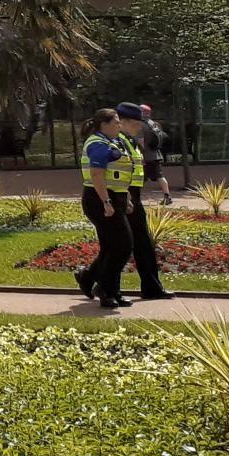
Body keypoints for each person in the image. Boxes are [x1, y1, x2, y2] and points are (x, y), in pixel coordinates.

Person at [75, 108, 134, 310]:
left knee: (112, 248)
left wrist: (125, 198)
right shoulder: (98, 144)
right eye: (116, 122)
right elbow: (97, 175)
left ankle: (101, 284)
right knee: (123, 246)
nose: (120, 125)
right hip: (99, 199)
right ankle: (104, 288)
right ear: (104, 125)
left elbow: (117, 175)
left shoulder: (114, 142)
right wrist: (106, 202)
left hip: (113, 197)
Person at [116, 102, 172, 300]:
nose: (139, 127)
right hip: (122, 196)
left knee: (143, 244)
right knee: (120, 245)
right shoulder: (118, 141)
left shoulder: (129, 141)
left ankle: (152, 288)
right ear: (122, 122)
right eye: (135, 123)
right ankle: (97, 281)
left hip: (133, 196)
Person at [138, 103, 170, 204]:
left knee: (139, 178)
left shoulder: (140, 125)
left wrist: (140, 155)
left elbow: (140, 142)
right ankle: (167, 196)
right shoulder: (155, 124)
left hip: (145, 156)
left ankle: (135, 199)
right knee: (160, 176)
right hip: (156, 155)